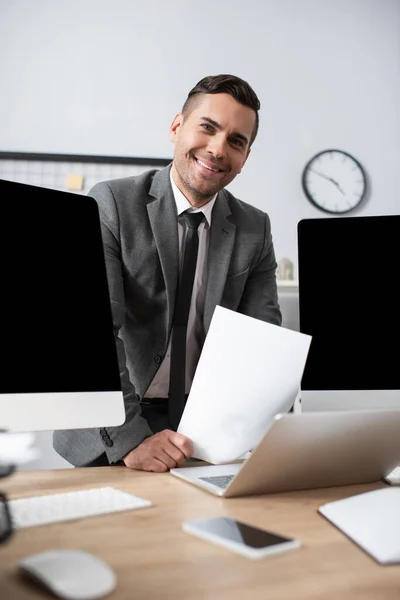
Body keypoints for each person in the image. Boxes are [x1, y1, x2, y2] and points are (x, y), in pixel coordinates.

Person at [53, 74, 282, 471]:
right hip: (117, 425)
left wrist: (252, 433)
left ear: (245, 157)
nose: (217, 149)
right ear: (177, 126)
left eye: (236, 141)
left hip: (208, 435)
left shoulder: (254, 227)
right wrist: (132, 441)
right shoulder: (111, 203)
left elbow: (262, 345)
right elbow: (93, 336)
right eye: (207, 128)